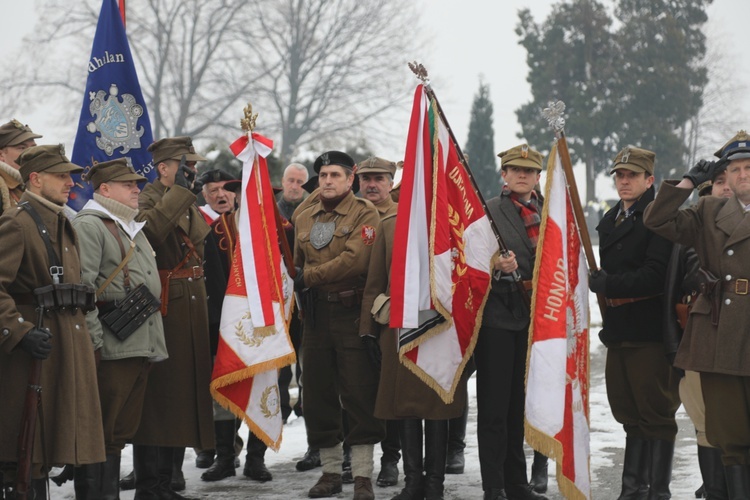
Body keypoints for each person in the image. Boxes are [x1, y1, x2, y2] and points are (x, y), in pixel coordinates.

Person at [643, 130, 750, 498]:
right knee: (729, 436)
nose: (743, 175)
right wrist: (687, 183)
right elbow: (656, 221)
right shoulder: (708, 211)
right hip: (720, 335)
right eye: (735, 170)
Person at [0, 144, 105, 499]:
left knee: (45, 450)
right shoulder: (17, 222)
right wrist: (18, 331)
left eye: (70, 176)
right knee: (25, 452)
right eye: (61, 176)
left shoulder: (61, 220)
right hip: (33, 351)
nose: (70, 183)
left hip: (66, 347)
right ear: (35, 178)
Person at [72, 159, 169, 499]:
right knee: (100, 431)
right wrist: (95, 344)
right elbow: (82, 291)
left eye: (137, 183)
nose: (136, 189)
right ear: (105, 189)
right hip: (111, 347)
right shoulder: (91, 225)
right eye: (127, 184)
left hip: (137, 342)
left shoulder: (128, 225)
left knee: (117, 433)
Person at [589, 146, 679, 500]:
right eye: (620, 176)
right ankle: (633, 490)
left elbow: (655, 276)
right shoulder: (613, 218)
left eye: (632, 176)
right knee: (628, 412)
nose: (624, 182)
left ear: (649, 179)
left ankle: (657, 492)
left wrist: (609, 284)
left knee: (655, 413)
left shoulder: (659, 217)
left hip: (649, 330)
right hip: (620, 329)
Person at [294, 150, 383, 500]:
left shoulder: (366, 213)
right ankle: (330, 472)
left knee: (359, 395)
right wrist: (303, 282)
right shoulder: (305, 217)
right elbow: (296, 263)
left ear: (351, 178)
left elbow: (355, 260)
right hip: (315, 317)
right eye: (323, 176)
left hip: (350, 313)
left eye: (335, 175)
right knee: (317, 395)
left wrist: (308, 277)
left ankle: (362, 477)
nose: (328, 181)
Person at [131, 136, 214, 499]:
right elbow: (147, 233)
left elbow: (199, 242)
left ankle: (167, 481)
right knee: (159, 399)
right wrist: (179, 195)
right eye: (185, 166)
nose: (191, 172)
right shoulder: (147, 198)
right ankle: (150, 486)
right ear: (163, 167)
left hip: (190, 303)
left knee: (184, 396)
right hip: (164, 308)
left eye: (193, 166)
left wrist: (184, 195)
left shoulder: (186, 199)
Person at [475, 144, 548, 500]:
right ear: (504, 174)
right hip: (498, 321)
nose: (522, 175)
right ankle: (494, 486)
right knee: (493, 408)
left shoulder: (549, 212)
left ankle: (517, 483)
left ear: (538, 177)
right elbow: (469, 262)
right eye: (515, 169)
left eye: (529, 170)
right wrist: (495, 266)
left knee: (520, 407)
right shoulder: (488, 211)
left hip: (538, 321)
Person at [662, 170, 733, 500]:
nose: (727, 187)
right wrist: (674, 349)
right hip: (700, 342)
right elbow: (673, 290)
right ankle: (715, 486)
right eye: (719, 182)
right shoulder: (694, 231)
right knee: (704, 423)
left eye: (732, 179)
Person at [0, 119, 42, 214]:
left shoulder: (31, 185)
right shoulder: (3, 187)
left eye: (33, 148)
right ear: (1, 155)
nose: (31, 153)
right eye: (22, 148)